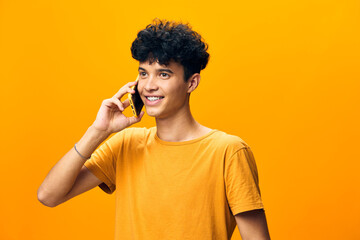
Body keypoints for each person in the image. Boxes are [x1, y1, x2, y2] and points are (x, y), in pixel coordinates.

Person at [38, 19, 271, 240]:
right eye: (143, 73)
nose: (149, 86)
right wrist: (99, 131)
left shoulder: (228, 151)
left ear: (192, 82)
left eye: (163, 74)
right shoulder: (126, 144)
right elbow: (48, 196)